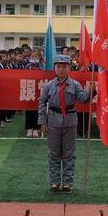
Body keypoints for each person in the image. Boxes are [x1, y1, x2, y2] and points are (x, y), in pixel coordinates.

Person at [38, 54, 95, 193]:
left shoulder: (75, 85)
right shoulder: (49, 86)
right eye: (58, 67)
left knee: (69, 153)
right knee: (54, 153)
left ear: (69, 68)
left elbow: (82, 99)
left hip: (70, 121)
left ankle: (68, 183)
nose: (61, 69)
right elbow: (41, 103)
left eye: (64, 67)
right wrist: (42, 121)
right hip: (53, 120)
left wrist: (91, 91)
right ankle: (54, 182)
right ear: (54, 68)